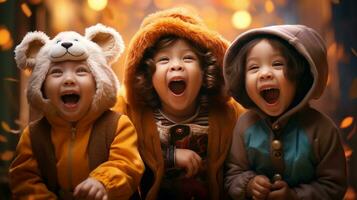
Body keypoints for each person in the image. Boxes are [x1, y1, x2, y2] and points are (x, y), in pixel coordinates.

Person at [112, 7, 245, 200]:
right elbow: (124, 155)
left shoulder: (228, 114)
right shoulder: (132, 114)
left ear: (205, 72)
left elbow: (242, 160)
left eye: (188, 58)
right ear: (148, 75)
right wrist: (170, 156)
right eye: (164, 59)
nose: (176, 65)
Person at [9, 24, 144, 199]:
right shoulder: (33, 136)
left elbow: (127, 164)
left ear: (98, 82)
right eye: (57, 73)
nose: (69, 79)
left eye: (81, 71)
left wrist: (103, 182)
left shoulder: (118, 126)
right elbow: (23, 179)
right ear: (42, 87)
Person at [223, 24, 347, 200]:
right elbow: (232, 175)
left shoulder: (322, 129)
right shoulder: (244, 125)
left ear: (301, 73)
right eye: (253, 67)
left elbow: (334, 186)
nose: (265, 73)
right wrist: (249, 184)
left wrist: (295, 196)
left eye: (277, 64)